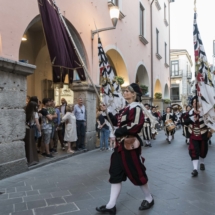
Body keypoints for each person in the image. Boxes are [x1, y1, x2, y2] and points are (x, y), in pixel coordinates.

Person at [96, 83, 154, 214]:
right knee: (115, 173)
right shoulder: (125, 108)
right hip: (120, 146)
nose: (125, 92)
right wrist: (106, 112)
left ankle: (149, 198)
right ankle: (111, 205)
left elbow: (136, 125)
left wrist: (119, 131)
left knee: (137, 172)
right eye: (125, 90)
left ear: (134, 94)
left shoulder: (137, 108)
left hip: (130, 146)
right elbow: (115, 121)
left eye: (127, 91)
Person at [184, 96, 209, 177]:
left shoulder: (205, 112)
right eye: (194, 102)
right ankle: (195, 169)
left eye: (197, 102)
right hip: (193, 135)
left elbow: (211, 122)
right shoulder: (189, 113)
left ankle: (202, 162)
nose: (195, 103)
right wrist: (192, 119)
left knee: (203, 150)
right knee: (194, 151)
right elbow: (184, 122)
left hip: (203, 134)